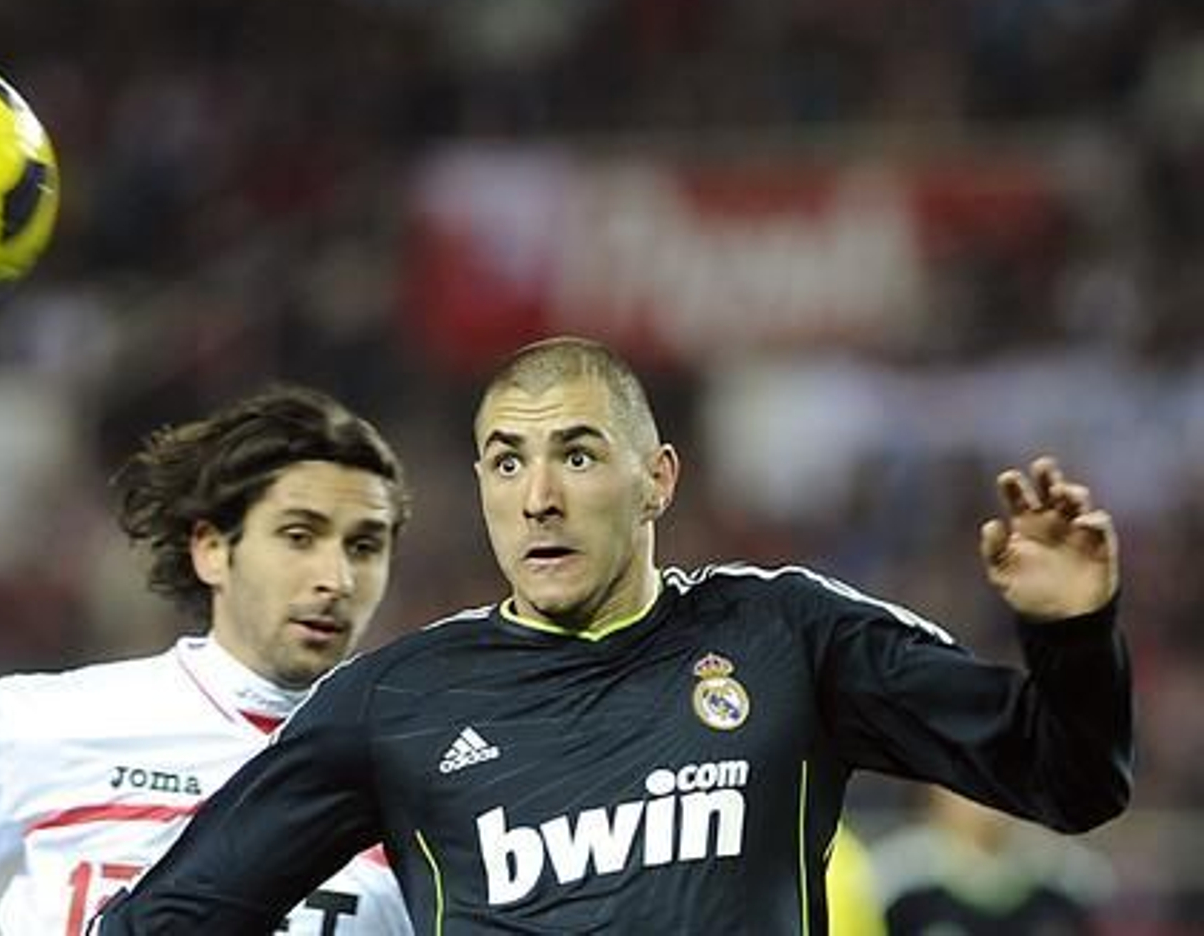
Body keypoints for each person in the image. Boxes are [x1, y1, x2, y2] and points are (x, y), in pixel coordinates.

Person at [94, 335, 1132, 934]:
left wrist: (1070, 632)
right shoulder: (392, 702)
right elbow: (169, 922)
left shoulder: (786, 633)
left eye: (577, 454)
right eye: (506, 462)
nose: (537, 497)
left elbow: (1070, 779)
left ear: (656, 479)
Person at [0, 385, 414, 935]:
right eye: (298, 536)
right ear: (212, 549)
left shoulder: (433, 768)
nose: (335, 579)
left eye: (364, 546)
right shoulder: (35, 722)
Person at [873, 785, 1113, 935]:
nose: (985, 800)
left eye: (1002, 775)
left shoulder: (1067, 881)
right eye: (968, 778)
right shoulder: (895, 880)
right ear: (934, 790)